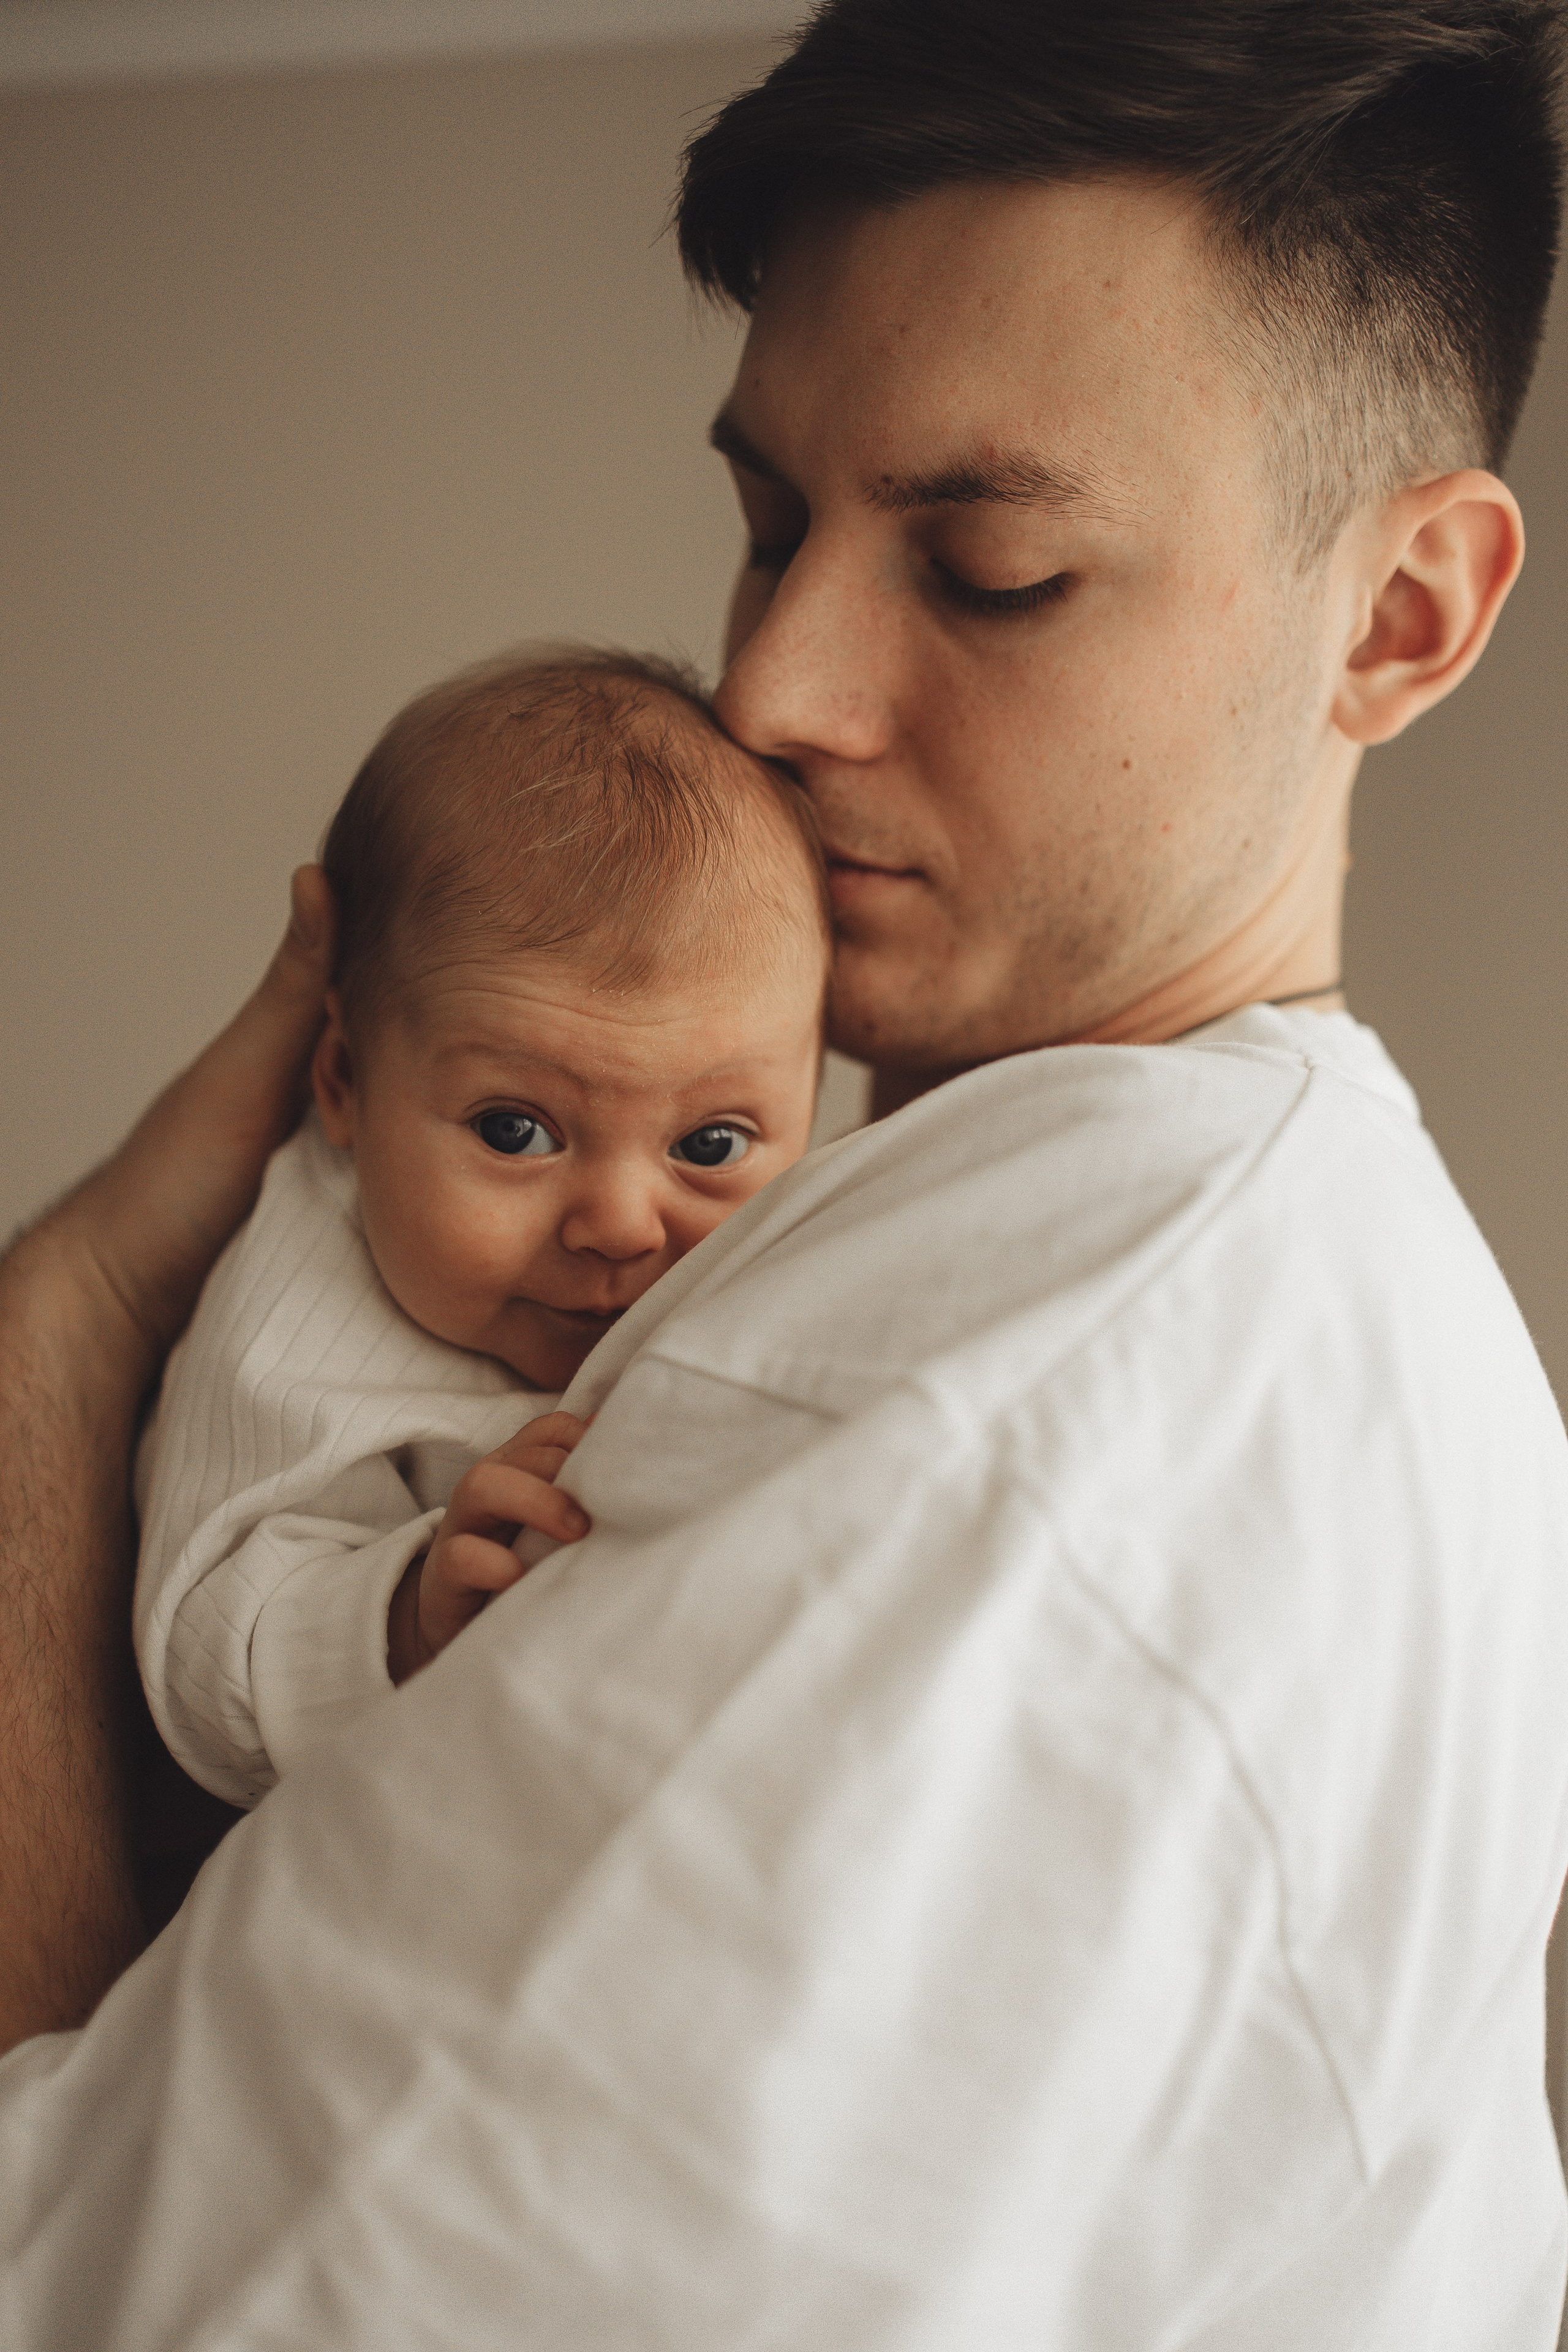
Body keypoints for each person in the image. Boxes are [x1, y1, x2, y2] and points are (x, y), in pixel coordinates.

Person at [4, 2, 1567, 2342]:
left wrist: (48, 1354)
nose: (770, 693)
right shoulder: (1277, 1312)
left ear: (1402, 613)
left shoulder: (1035, 1378)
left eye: (990, 569)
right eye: (770, 526)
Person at [133, 649, 829, 1803]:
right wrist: (401, 1617)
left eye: (709, 1144)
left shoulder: (815, 1246)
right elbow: (204, 1647)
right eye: (517, 1130)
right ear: (345, 1080)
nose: (619, 1226)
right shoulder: (302, 1303)